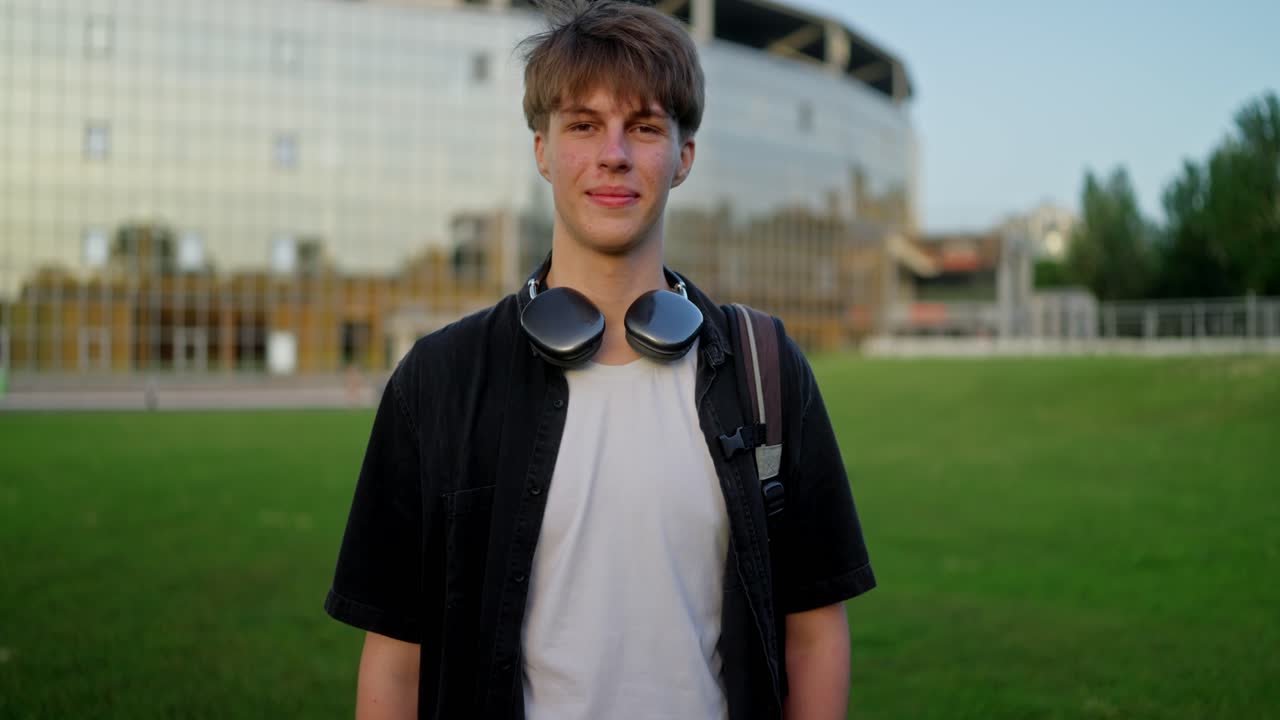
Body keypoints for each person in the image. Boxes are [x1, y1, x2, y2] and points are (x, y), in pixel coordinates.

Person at [324, 1, 875, 718]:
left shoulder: (765, 369)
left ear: (683, 158)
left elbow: (815, 633)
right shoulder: (439, 380)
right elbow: (395, 660)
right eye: (583, 124)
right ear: (543, 151)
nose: (613, 153)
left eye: (643, 126)